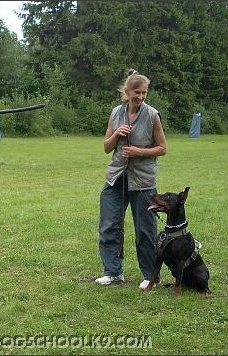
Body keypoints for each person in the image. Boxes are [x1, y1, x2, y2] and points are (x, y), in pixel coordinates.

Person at [94, 69, 167, 290]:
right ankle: (113, 272)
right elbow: (107, 147)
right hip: (116, 178)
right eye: (137, 92)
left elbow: (163, 148)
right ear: (127, 91)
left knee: (145, 229)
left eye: (144, 93)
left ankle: (150, 276)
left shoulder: (152, 115)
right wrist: (116, 134)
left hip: (143, 181)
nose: (141, 97)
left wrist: (137, 151)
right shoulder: (116, 112)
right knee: (109, 226)